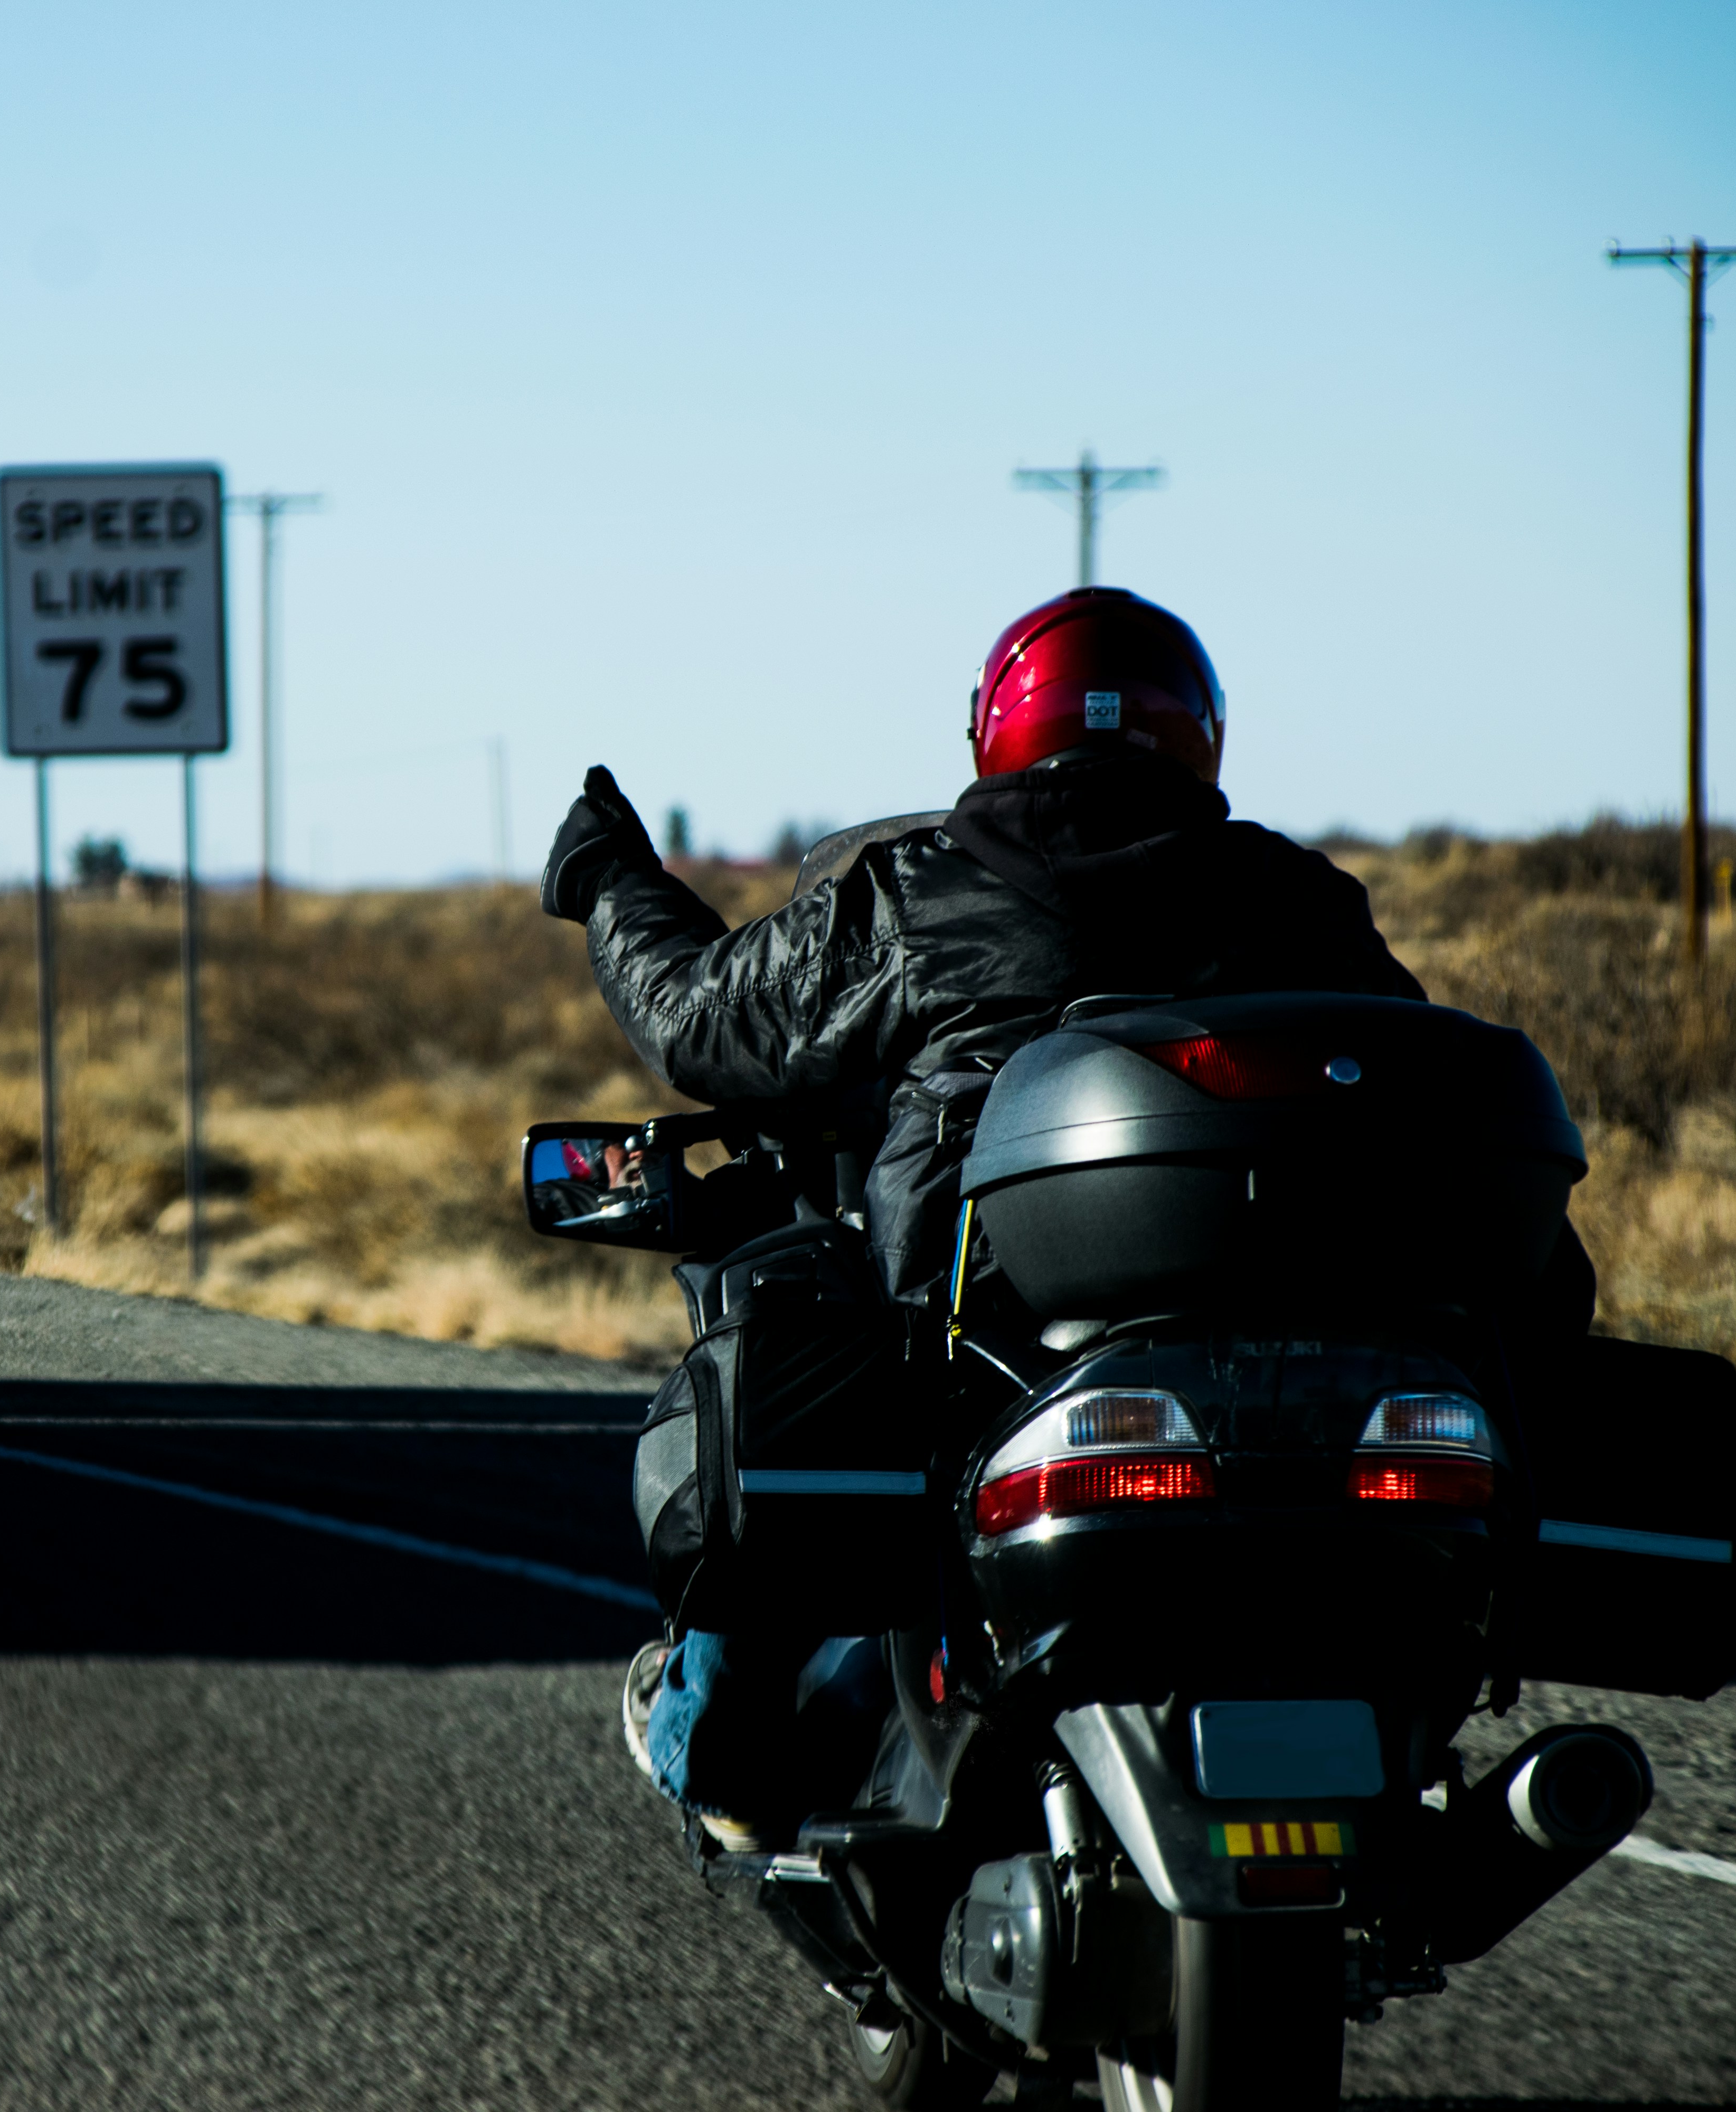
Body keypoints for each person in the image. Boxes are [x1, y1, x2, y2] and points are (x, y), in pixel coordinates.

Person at [543, 586, 1436, 1850]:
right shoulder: (1304, 903)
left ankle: (714, 1741)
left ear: (997, 731)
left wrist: (610, 880)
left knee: (793, 1348)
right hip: (1290, 1361)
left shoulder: (921, 893)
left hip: (986, 1355)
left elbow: (702, 1019)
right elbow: (1407, 1094)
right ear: (1203, 734)